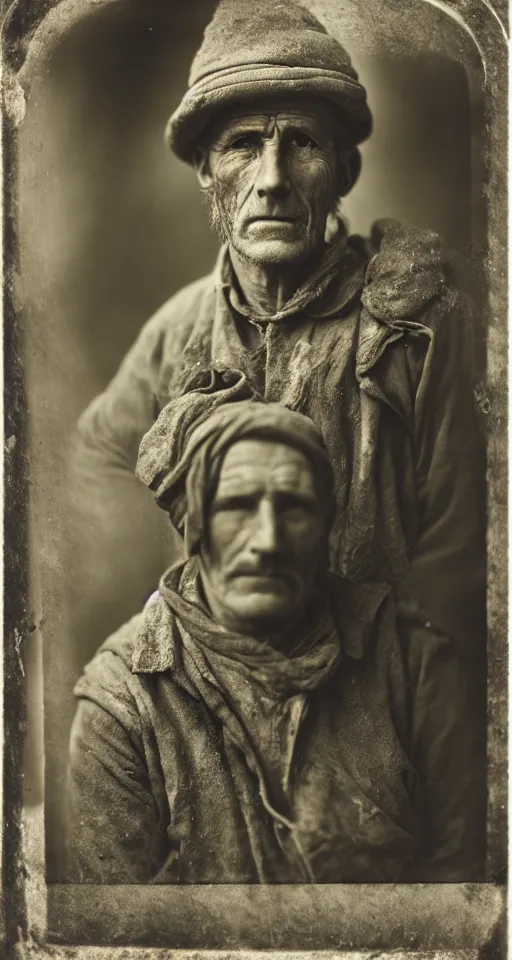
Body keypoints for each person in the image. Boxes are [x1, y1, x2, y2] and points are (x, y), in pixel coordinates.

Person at [72, 0, 485, 667]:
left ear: (344, 173)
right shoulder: (176, 334)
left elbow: (463, 566)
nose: (272, 180)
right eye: (243, 145)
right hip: (216, 710)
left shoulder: (420, 330)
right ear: (207, 170)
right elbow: (85, 485)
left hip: (384, 706)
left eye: (303, 143)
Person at [67, 373, 484, 883]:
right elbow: (116, 933)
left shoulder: (415, 669)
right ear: (193, 524)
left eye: (295, 507)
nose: (268, 540)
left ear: (326, 525)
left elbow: (468, 902)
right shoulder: (122, 700)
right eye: (238, 506)